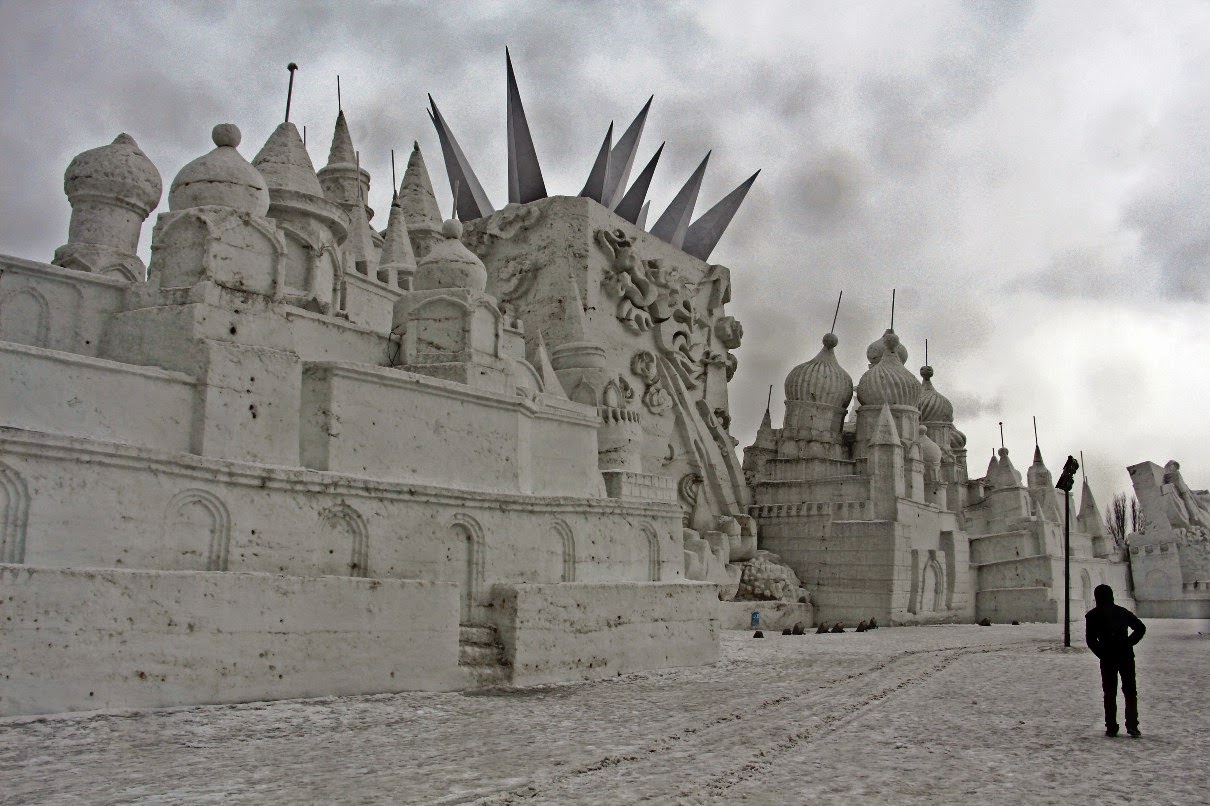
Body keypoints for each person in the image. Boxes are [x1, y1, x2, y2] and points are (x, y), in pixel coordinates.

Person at [1085, 584, 1146, 737]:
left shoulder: (1093, 615)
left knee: (1110, 693)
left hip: (1108, 657)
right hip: (1125, 655)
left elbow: (1091, 640)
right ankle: (1132, 725)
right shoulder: (1122, 612)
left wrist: (1101, 653)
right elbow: (1140, 628)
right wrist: (1128, 643)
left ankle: (1111, 726)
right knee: (1130, 692)